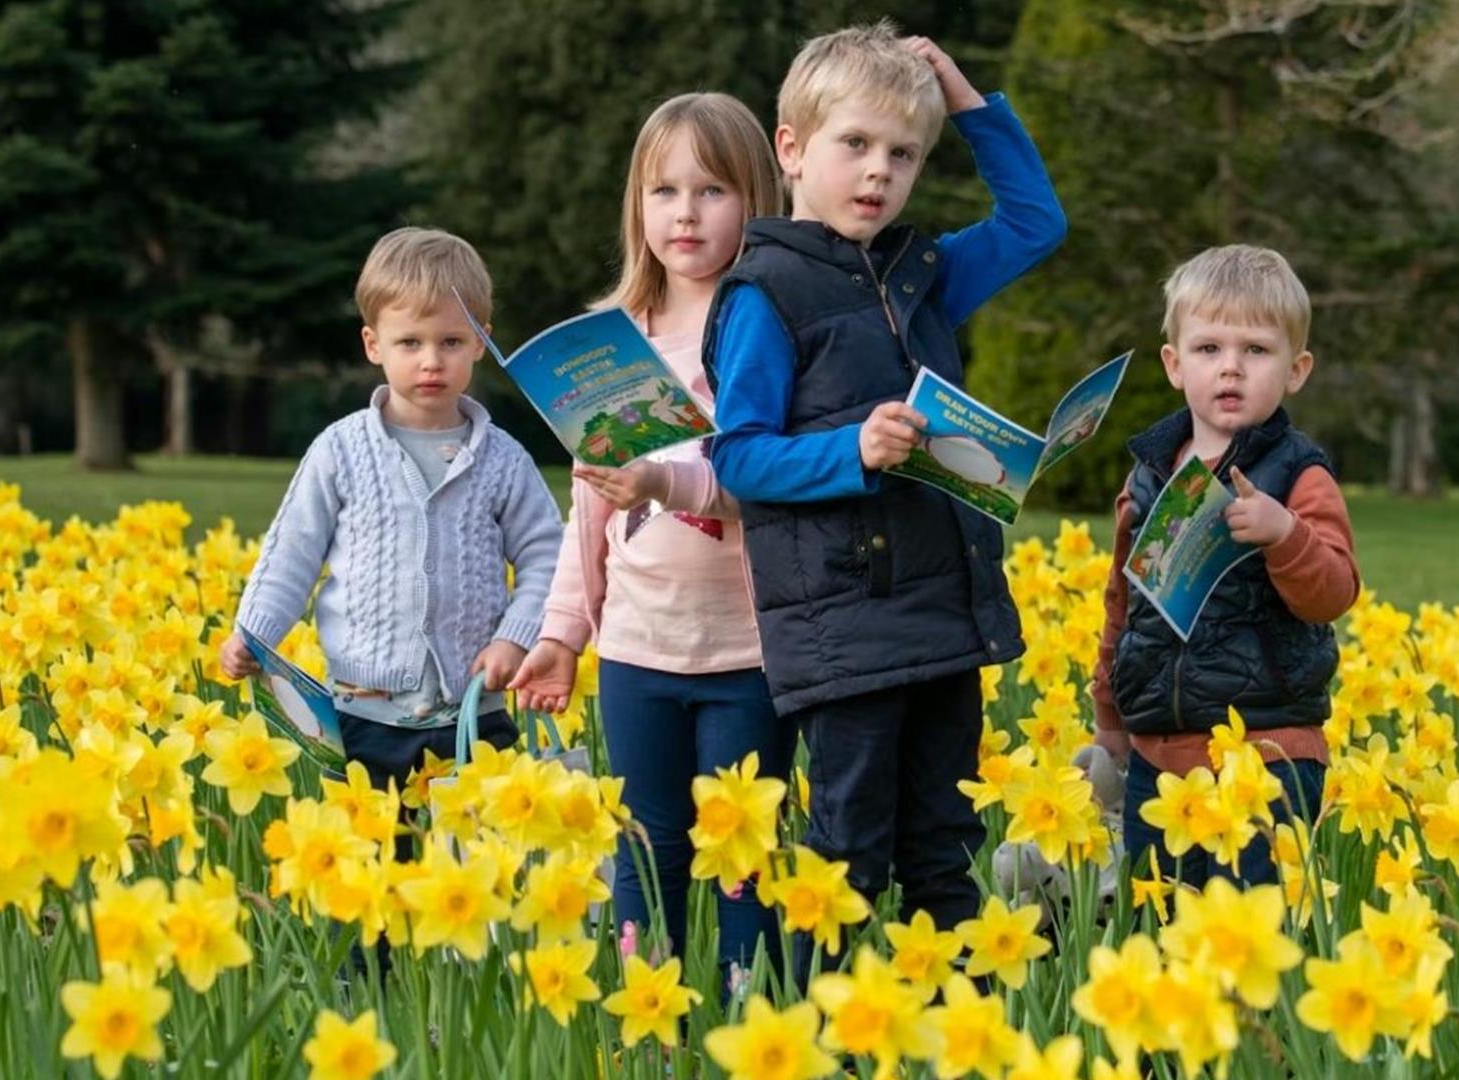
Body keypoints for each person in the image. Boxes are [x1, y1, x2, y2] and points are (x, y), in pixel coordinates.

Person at [701, 21, 1066, 941]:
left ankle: (955, 1039)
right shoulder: (763, 292)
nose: (879, 172)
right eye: (854, 144)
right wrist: (852, 452)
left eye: (903, 154)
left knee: (945, 846)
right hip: (843, 628)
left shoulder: (921, 275)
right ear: (791, 149)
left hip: (943, 614)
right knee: (847, 860)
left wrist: (965, 99)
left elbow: (1036, 222)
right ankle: (837, 1041)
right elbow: (737, 458)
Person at [507, 93, 792, 985]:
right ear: (637, 205)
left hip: (750, 652)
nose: (685, 213)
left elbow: (780, 487)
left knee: (745, 857)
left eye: (712, 190)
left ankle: (755, 1022)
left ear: (756, 199)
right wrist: (560, 637)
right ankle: (651, 1017)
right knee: (645, 850)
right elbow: (587, 512)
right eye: (663, 191)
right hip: (636, 653)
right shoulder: (613, 344)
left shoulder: (767, 336)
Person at [219, 226, 563, 826]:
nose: (432, 361)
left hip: (473, 720)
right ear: (373, 344)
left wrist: (516, 636)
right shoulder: (341, 450)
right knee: (378, 885)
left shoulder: (504, 458)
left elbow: (547, 555)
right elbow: (292, 552)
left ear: (481, 343)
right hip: (364, 721)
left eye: (452, 341)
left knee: (476, 889)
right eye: (410, 342)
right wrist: (254, 635)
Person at [1092, 243, 1361, 887]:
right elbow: (1121, 609)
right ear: (1174, 364)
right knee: (1162, 926)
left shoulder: (1299, 474)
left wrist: (1284, 534)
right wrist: (1110, 720)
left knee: (1247, 938)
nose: (1231, 369)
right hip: (1161, 756)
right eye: (1209, 349)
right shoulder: (1152, 475)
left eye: (1256, 351)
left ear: (1296, 370)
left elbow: (1334, 592)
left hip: (1268, 754)